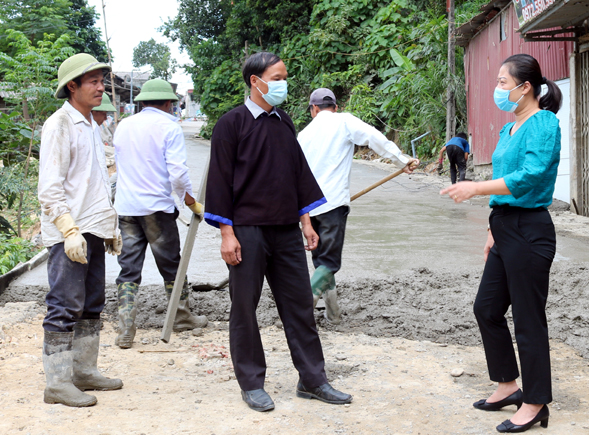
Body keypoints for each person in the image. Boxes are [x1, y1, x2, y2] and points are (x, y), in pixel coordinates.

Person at [204, 52, 352, 412]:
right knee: (244, 307)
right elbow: (220, 183)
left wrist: (306, 223)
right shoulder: (231, 124)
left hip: (286, 230)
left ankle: (313, 379)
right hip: (247, 231)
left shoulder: (284, 121)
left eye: (285, 76)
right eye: (278, 77)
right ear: (256, 81)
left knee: (300, 304)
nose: (284, 83)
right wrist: (227, 233)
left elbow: (297, 175)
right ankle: (252, 382)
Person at [441, 53, 562, 433]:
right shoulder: (509, 129)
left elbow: (529, 177)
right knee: (487, 309)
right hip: (506, 226)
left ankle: (536, 402)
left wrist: (475, 187)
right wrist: (493, 228)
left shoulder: (543, 122)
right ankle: (508, 385)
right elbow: (506, 183)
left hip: (530, 228)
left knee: (528, 319)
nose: (497, 90)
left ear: (526, 87)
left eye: (502, 83)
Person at [38, 53, 124, 407]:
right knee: (64, 303)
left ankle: (84, 370)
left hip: (91, 228)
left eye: (102, 80)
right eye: (93, 81)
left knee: (92, 303)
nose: (100, 87)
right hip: (69, 231)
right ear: (71, 86)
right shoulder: (59, 124)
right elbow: (49, 187)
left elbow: (96, 181)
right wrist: (68, 229)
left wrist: (109, 224)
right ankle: (57, 383)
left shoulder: (92, 123)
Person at [297, 88, 418, 324]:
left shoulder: (303, 134)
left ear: (313, 109)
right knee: (330, 263)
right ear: (335, 106)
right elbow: (374, 138)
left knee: (322, 261)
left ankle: (334, 315)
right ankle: (301, 310)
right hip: (332, 204)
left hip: (307, 210)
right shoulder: (343, 121)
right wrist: (402, 160)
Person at [112, 78, 208, 349]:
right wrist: (190, 202)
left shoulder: (124, 126)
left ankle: (125, 328)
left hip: (127, 207)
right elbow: (177, 173)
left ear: (142, 102)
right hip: (156, 208)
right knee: (171, 266)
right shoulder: (169, 127)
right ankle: (180, 316)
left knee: (128, 268)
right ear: (169, 103)